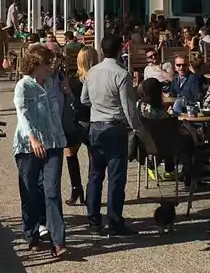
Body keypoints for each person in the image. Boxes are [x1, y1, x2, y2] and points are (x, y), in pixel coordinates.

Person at [81, 33, 144, 235]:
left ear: (102, 50)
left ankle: (93, 219)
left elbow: (84, 99)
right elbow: (129, 107)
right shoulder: (121, 73)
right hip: (114, 126)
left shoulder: (92, 71)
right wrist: (137, 128)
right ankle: (115, 221)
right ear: (120, 50)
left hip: (95, 125)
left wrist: (98, 107)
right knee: (116, 178)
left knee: (95, 175)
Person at [12, 45, 68, 258]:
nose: (50, 67)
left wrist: (67, 93)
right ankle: (32, 233)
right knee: (30, 192)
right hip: (28, 146)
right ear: (36, 65)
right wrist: (32, 138)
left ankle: (58, 240)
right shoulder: (23, 86)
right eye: (47, 64)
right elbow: (22, 114)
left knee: (52, 191)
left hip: (54, 142)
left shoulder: (53, 82)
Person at [63, 47, 97, 207]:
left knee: (70, 153)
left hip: (78, 121)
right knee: (93, 157)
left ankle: (76, 188)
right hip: (95, 120)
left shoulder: (73, 80)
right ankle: (91, 191)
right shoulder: (98, 78)